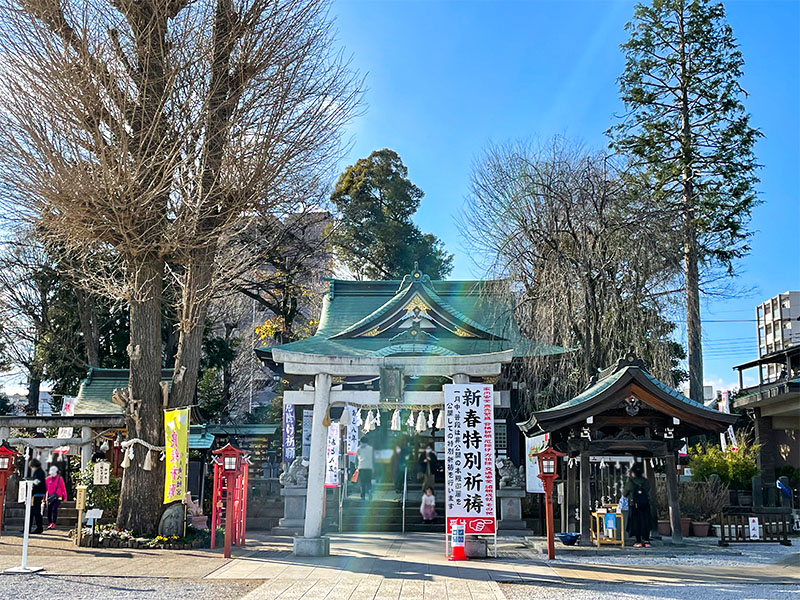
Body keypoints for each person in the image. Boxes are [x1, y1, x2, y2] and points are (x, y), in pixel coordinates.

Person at [624, 463, 652, 547]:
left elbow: (625, 493)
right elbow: (648, 489)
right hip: (645, 505)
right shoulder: (645, 481)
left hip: (634, 505)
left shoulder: (631, 481)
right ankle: (647, 541)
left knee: (636, 523)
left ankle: (638, 541)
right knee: (645, 522)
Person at [45, 465, 67, 529]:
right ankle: (50, 523)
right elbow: (45, 489)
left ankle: (53, 523)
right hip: (50, 497)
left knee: (54, 509)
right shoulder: (47, 479)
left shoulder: (60, 479)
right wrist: (44, 497)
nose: (52, 474)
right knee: (49, 510)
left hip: (58, 497)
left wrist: (65, 497)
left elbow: (63, 488)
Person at [28, 459, 46, 534]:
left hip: (37, 494)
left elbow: (37, 482)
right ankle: (29, 527)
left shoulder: (38, 472)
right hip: (39, 493)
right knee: (34, 512)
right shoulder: (40, 471)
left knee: (36, 511)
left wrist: (32, 486)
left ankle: (39, 528)